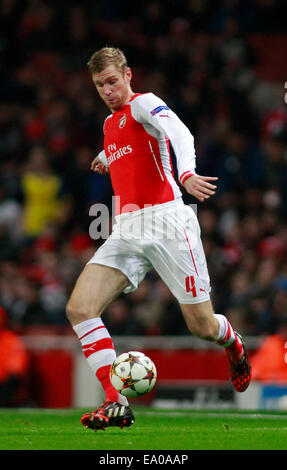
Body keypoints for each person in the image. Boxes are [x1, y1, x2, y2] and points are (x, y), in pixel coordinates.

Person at [66, 47, 251, 431]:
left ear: (128, 75)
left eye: (113, 81)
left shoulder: (145, 103)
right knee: (80, 308)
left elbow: (178, 132)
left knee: (201, 326)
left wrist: (186, 174)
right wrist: (106, 154)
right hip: (127, 230)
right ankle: (115, 402)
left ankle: (232, 341)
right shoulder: (109, 124)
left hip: (168, 221)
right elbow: (128, 143)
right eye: (100, 85)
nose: (108, 91)